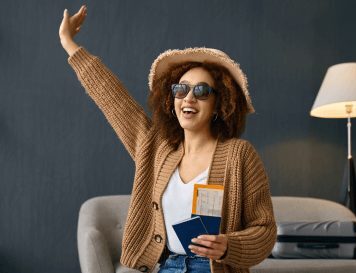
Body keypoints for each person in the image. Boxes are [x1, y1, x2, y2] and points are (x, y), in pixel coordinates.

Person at [59, 5, 276, 273]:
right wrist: (70, 44)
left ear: (220, 104)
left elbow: (265, 230)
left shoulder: (239, 154)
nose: (189, 98)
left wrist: (229, 245)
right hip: (167, 266)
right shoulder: (157, 149)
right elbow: (112, 99)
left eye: (201, 91)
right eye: (181, 89)